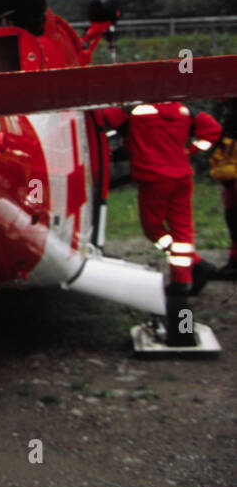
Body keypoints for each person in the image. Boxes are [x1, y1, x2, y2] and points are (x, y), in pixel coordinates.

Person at [99, 101, 222, 347]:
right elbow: (213, 130)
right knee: (183, 233)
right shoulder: (183, 109)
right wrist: (191, 151)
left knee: (154, 229)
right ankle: (183, 278)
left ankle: (192, 268)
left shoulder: (132, 109)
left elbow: (101, 119)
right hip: (181, 176)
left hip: (153, 179)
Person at [210, 98, 237, 278]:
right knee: (233, 217)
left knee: (234, 217)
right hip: (229, 175)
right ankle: (234, 262)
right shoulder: (229, 114)